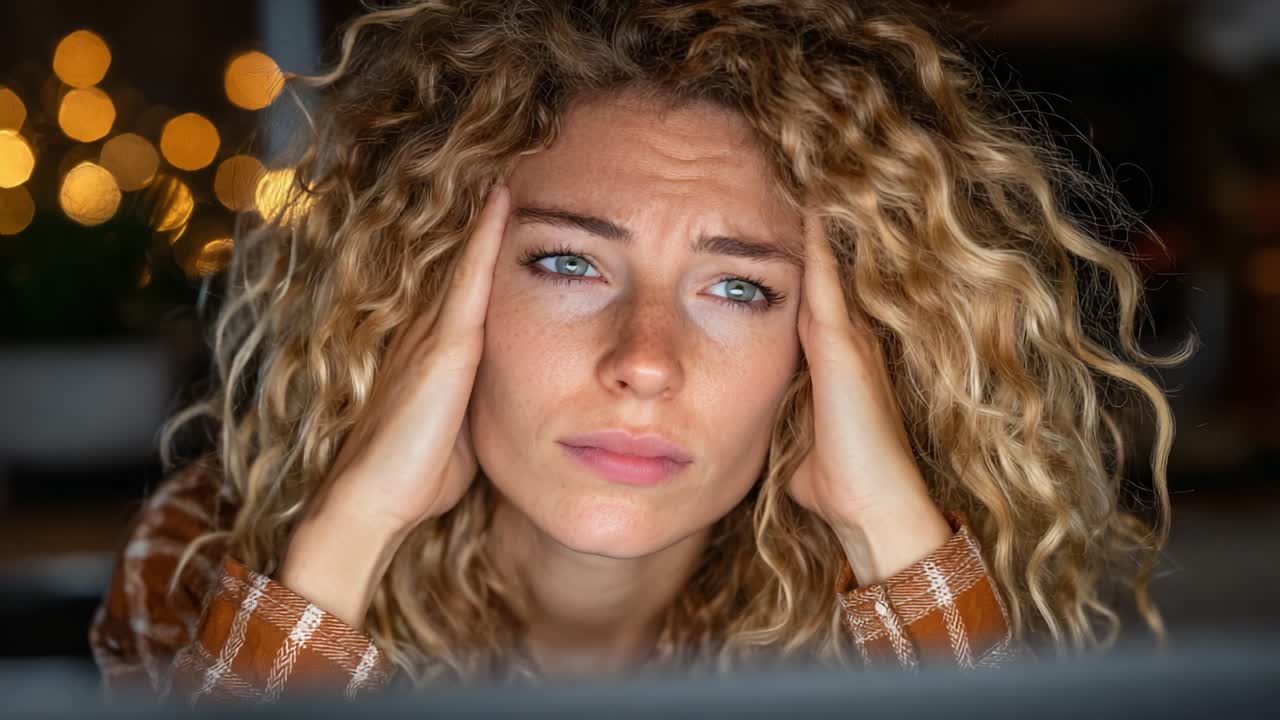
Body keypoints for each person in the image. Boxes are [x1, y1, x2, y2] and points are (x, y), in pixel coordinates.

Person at [88, 0, 1195, 705]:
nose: (646, 360)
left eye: (739, 287)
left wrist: (890, 537)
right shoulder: (204, 552)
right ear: (426, 292)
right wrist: (344, 541)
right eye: (569, 265)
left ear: (831, 350)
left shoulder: (907, 606)